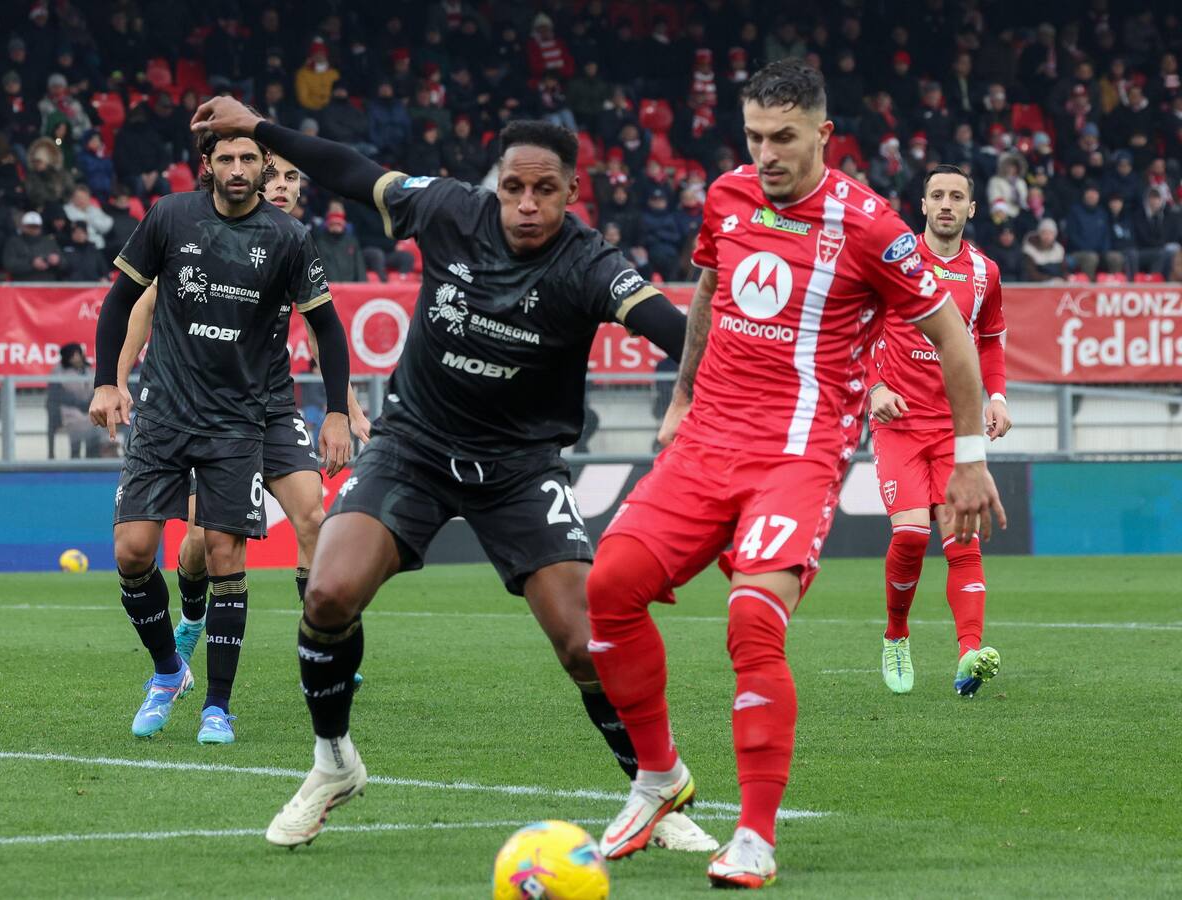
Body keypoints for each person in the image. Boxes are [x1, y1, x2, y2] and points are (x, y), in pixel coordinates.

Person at [189, 97, 713, 854]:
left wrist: (698, 381)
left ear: (572, 193)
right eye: (514, 188)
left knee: (584, 643)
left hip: (520, 465)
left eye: (546, 191)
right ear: (497, 184)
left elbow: (664, 322)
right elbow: (350, 170)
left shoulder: (590, 262)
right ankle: (333, 762)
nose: (527, 205)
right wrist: (258, 129)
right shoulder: (446, 210)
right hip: (416, 445)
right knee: (329, 593)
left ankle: (653, 791)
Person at [581, 60, 1004, 889]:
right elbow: (707, 287)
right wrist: (679, 397)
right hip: (705, 440)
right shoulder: (728, 196)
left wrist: (969, 457)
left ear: (822, 135)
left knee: (752, 620)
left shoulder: (873, 226)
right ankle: (660, 777)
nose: (766, 154)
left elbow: (956, 336)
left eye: (783, 138)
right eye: (754, 137)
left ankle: (753, 835)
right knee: (609, 587)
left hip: (798, 453)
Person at [88, 128, 352, 746]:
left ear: (264, 166)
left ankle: (218, 706)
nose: (237, 169)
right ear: (207, 165)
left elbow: (329, 330)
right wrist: (108, 381)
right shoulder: (170, 216)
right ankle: (167, 672)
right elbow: (122, 300)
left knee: (228, 556)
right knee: (132, 551)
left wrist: (338, 410)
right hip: (164, 412)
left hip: (239, 419)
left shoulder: (288, 238)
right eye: (225, 159)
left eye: (248, 160)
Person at [867, 164, 1012, 698]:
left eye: (957, 196)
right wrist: (874, 388)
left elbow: (991, 340)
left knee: (962, 540)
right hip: (900, 424)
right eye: (937, 195)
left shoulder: (984, 272)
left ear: (972, 209)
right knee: (909, 533)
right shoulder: (894, 265)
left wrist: (996, 396)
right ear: (922, 205)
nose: (947, 204)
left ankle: (969, 654)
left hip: (958, 429)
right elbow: (859, 329)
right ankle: (896, 634)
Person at [48, 342, 103, 458]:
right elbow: (56, 394)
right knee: (77, 425)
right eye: (73, 355)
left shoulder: (89, 370)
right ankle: (75, 456)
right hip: (69, 410)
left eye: (78, 354)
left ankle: (92, 457)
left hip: (89, 408)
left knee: (94, 422)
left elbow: (97, 389)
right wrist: (78, 403)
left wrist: (90, 402)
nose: (76, 358)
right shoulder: (58, 372)